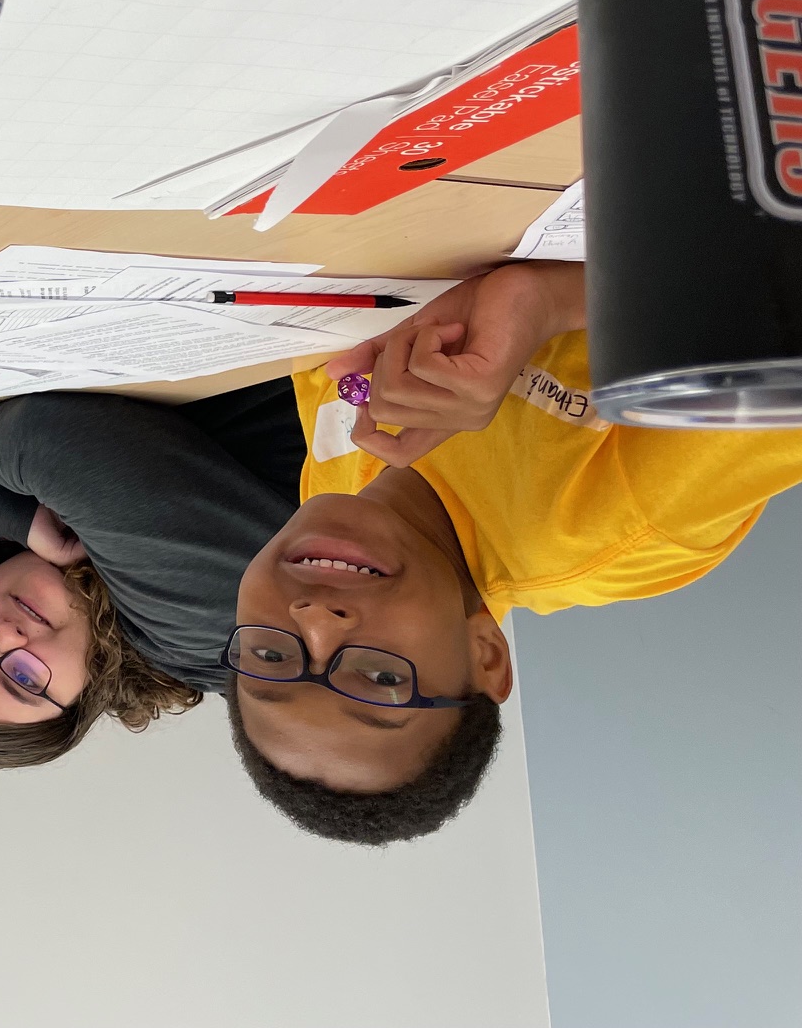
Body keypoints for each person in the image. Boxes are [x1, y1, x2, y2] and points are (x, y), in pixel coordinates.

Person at [227, 260, 802, 846]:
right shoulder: (616, 526)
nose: (315, 620)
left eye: (270, 660)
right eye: (379, 677)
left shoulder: (330, 517)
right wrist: (550, 301)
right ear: (486, 657)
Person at [0, 381, 305, 768]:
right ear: (90, 691)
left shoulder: (39, 556)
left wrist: (16, 517)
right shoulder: (201, 637)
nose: (7, 637)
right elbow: (42, 436)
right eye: (26, 680)